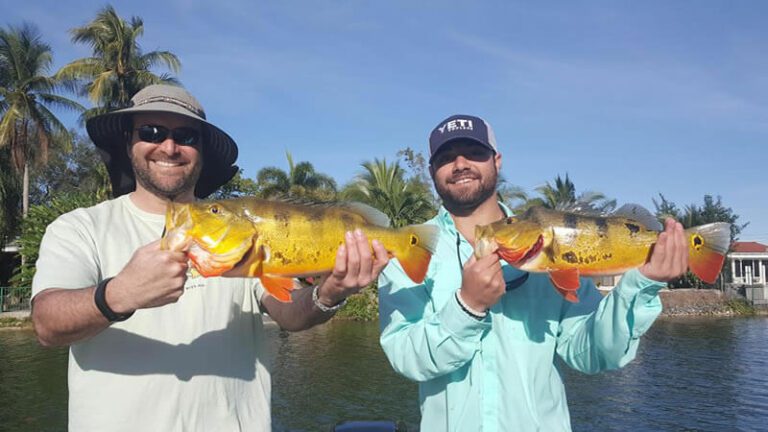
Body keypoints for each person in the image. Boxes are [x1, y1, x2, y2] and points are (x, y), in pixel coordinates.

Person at [31, 84, 390, 432]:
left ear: (201, 151)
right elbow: (46, 325)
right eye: (152, 131)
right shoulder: (80, 228)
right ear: (129, 142)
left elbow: (290, 312)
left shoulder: (236, 227)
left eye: (187, 136)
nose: (169, 146)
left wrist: (329, 294)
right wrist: (118, 295)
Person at [377, 114, 688, 432]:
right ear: (432, 172)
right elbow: (408, 358)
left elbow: (593, 353)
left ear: (497, 161)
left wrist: (642, 284)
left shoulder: (554, 246)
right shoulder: (408, 250)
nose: (460, 164)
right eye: (446, 158)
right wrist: (467, 307)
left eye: (474, 152)